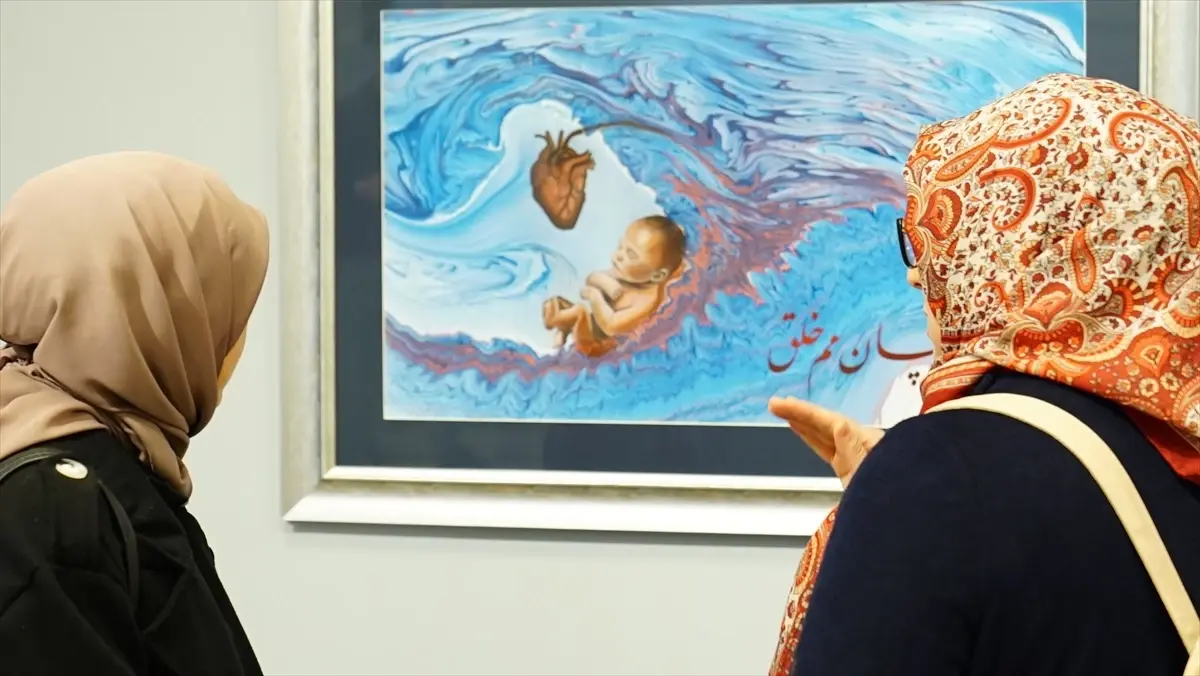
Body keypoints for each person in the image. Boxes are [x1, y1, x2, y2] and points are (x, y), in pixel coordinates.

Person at [767, 73, 1199, 676]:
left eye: (940, 237)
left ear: (1013, 246)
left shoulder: (944, 478)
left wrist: (905, 499)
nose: (918, 274)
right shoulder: (1179, 444)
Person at [0, 152, 269, 675]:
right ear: (168, 316)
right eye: (224, 309)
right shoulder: (58, 513)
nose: (235, 341)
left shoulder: (100, 468)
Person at [542, 214, 686, 355]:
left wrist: (595, 296)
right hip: (590, 327)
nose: (619, 256)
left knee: (579, 311)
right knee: (555, 303)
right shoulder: (628, 275)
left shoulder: (647, 300)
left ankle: (556, 323)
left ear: (657, 276)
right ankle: (562, 330)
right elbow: (592, 278)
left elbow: (610, 327)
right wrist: (605, 283)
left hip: (600, 345)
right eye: (620, 246)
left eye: (631, 255)